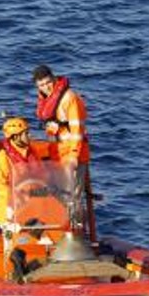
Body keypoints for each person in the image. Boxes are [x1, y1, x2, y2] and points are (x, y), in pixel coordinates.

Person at [32, 64, 90, 230]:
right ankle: (65, 233)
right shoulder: (48, 100)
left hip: (73, 156)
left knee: (73, 198)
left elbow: (77, 130)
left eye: (48, 82)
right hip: (57, 154)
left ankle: (78, 236)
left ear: (54, 78)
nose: (46, 87)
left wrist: (73, 156)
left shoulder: (69, 98)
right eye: (41, 85)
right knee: (59, 197)